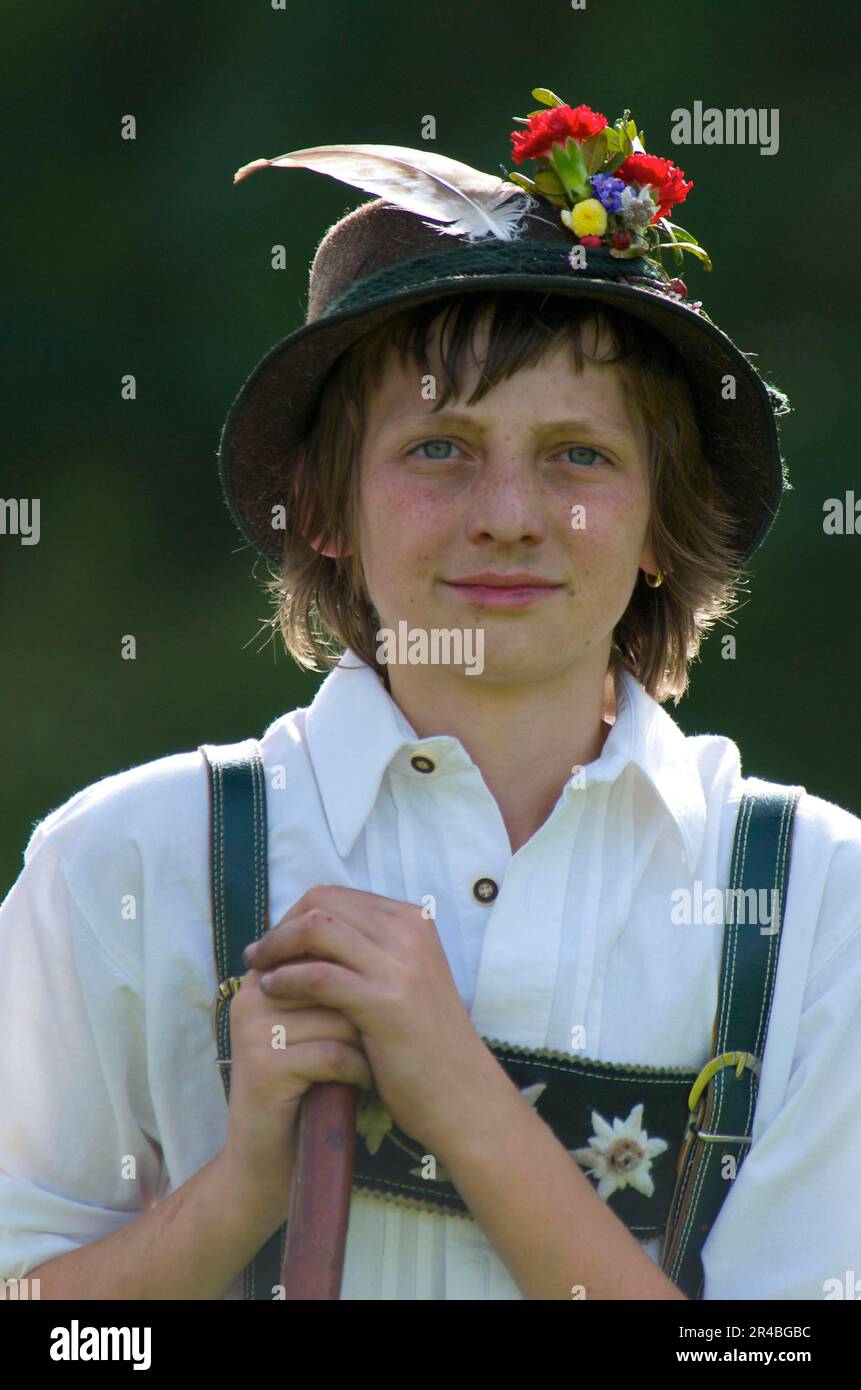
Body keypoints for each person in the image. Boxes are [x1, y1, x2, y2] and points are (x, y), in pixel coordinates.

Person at [1, 95, 859, 1302]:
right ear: (328, 507)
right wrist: (239, 1189)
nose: (510, 513)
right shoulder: (124, 860)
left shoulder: (815, 895)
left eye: (580, 455)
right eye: (439, 449)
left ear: (665, 524)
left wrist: (461, 1094)